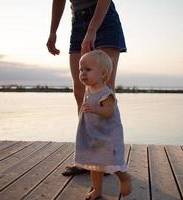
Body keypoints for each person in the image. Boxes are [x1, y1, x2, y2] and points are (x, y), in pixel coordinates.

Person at [46, 0, 127, 176]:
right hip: (78, 21)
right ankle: (86, 158)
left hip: (103, 17)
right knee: (80, 92)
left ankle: (107, 159)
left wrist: (92, 30)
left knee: (104, 92)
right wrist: (53, 31)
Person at [75, 49, 131, 199]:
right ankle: (97, 190)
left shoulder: (106, 93)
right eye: (81, 70)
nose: (82, 73)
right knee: (95, 163)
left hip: (108, 135)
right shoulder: (89, 90)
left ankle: (124, 178)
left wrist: (94, 109)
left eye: (88, 69)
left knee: (111, 162)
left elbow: (109, 112)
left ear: (102, 73)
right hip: (94, 134)